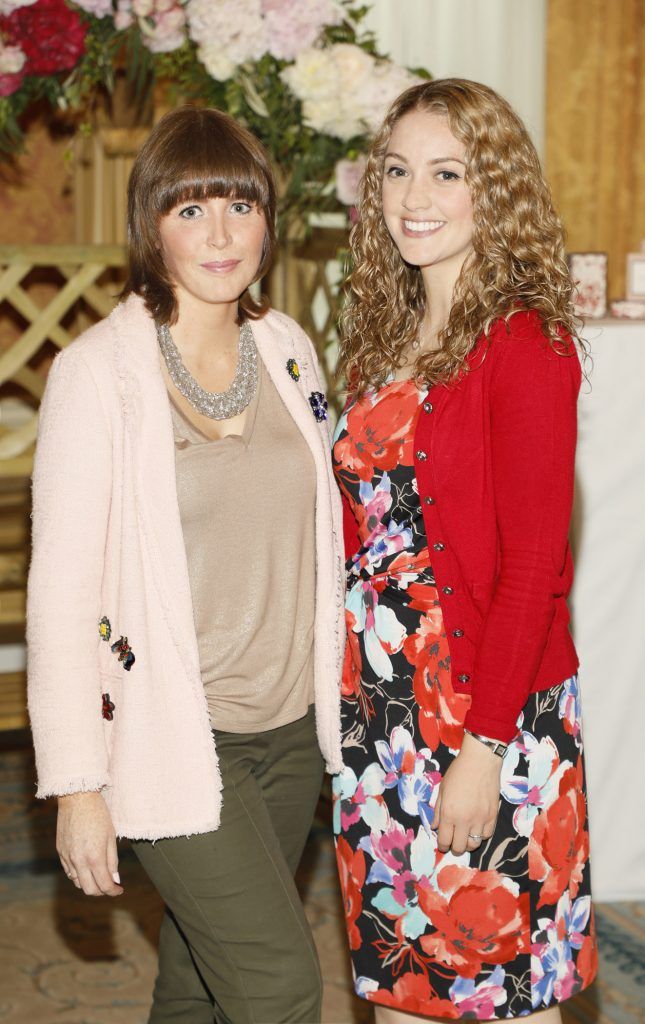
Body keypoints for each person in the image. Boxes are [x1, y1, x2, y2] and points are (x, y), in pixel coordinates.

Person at [26, 106, 345, 1024]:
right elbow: (60, 596)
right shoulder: (98, 375)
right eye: (191, 208)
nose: (219, 233)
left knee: (199, 978)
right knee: (279, 984)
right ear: (150, 224)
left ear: (268, 222)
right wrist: (78, 785)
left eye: (240, 206)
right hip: (172, 735)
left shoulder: (287, 348)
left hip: (289, 733)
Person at [331, 79, 598, 1023]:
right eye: (397, 171)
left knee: (500, 992)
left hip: (486, 708)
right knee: (403, 987)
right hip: (379, 718)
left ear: (496, 191)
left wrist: (484, 749)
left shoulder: (528, 341)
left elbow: (534, 567)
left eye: (447, 173)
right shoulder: (381, 341)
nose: (413, 198)